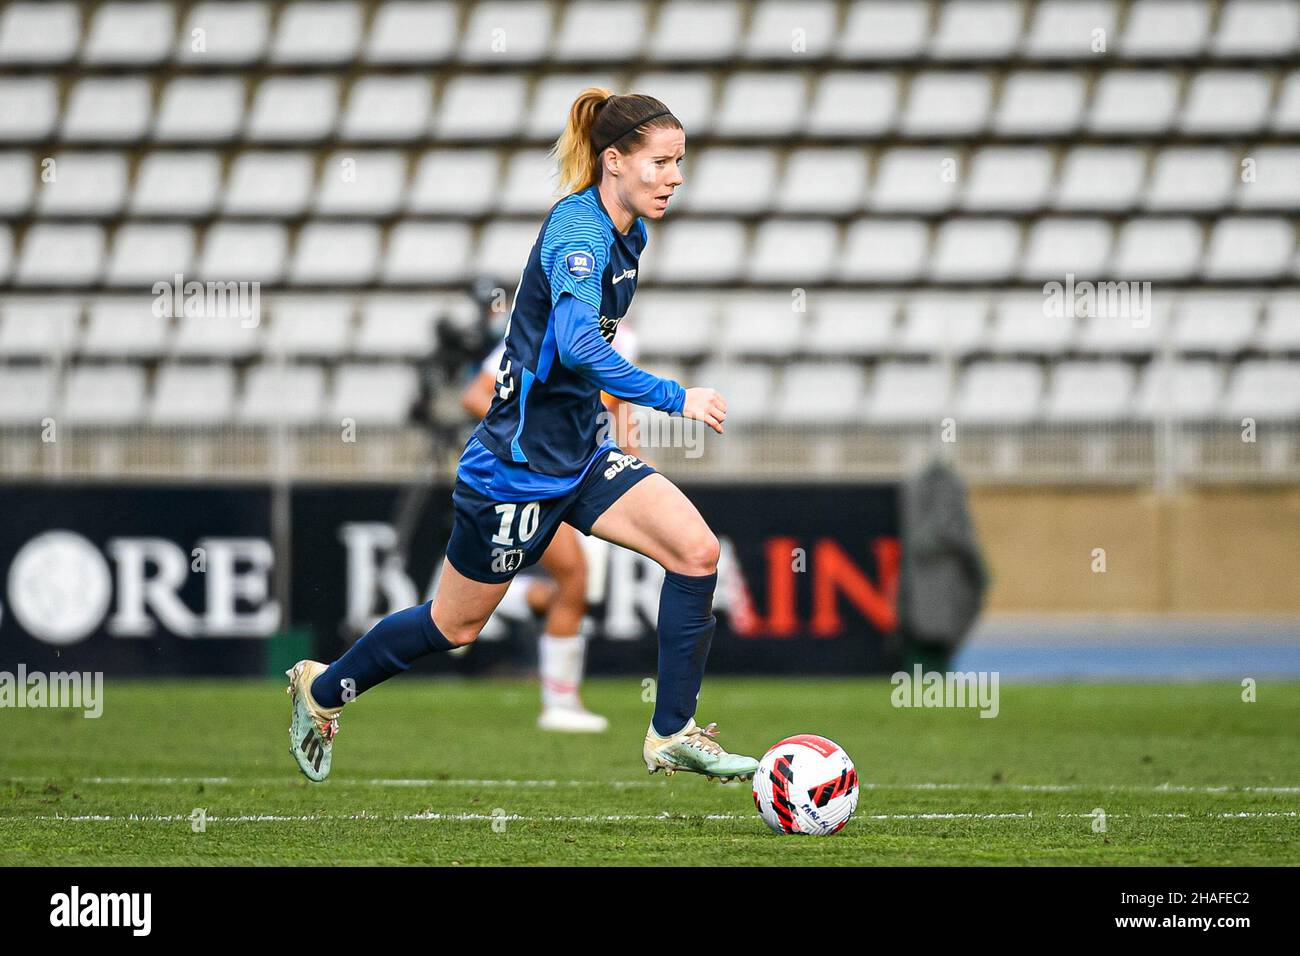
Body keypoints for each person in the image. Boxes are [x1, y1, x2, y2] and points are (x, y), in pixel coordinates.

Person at [286, 87, 757, 785]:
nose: (675, 177)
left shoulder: (633, 233)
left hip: (583, 454)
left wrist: (619, 429)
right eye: (661, 162)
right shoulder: (579, 230)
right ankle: (321, 690)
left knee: (695, 552)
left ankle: (672, 731)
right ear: (615, 161)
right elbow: (572, 345)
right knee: (452, 628)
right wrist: (672, 396)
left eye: (679, 162)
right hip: (514, 469)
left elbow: (583, 348)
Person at [456, 327, 647, 734]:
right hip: (523, 478)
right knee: (574, 578)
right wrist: (528, 433)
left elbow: (620, 411)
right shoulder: (541, 327)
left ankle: (558, 691)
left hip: (573, 475)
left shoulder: (623, 339)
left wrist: (640, 468)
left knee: (574, 582)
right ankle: (559, 701)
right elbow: (476, 394)